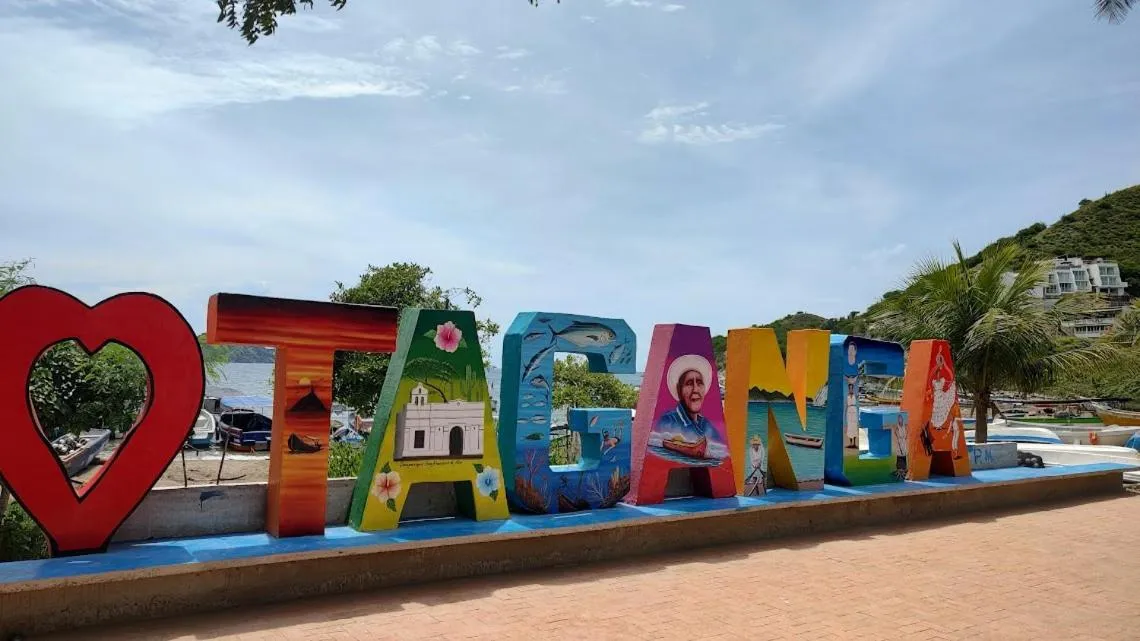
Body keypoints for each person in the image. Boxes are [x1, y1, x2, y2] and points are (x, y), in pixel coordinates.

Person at [654, 354, 723, 457]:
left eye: (699, 383)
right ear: (679, 390)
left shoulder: (707, 425)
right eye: (689, 383)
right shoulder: (668, 421)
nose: (695, 389)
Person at [844, 377, 859, 450]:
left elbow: (858, 391)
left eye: (851, 388)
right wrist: (844, 414)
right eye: (849, 388)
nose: (850, 389)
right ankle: (850, 443)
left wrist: (853, 381)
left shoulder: (855, 395)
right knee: (849, 427)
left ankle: (855, 444)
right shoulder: (847, 396)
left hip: (854, 410)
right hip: (849, 411)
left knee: (854, 426)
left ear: (853, 389)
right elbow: (846, 405)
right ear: (848, 389)